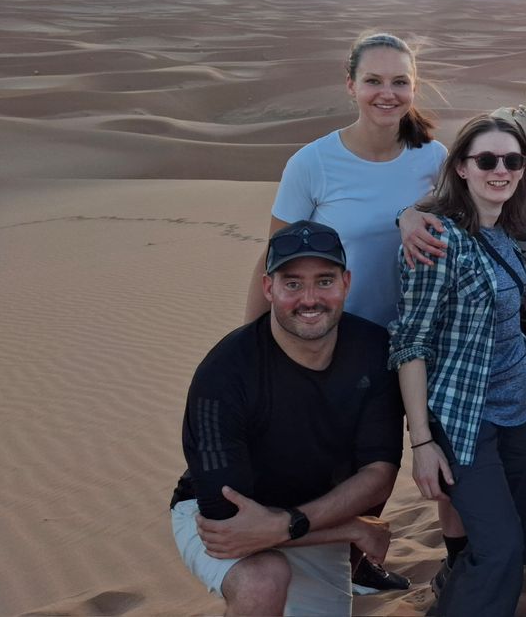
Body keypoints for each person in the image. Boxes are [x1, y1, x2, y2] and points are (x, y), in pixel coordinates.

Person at [240, 30, 443, 593]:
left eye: (399, 81)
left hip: (407, 345)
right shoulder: (314, 163)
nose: (387, 93)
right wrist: (254, 343)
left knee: (382, 462)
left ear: (413, 87)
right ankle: (316, 559)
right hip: (325, 343)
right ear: (350, 84)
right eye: (374, 81)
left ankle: (357, 566)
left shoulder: (433, 158)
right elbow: (275, 255)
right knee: (330, 459)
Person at [397, 38, 526, 576]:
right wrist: (406, 215)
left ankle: (503, 545)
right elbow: (448, 193)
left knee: (510, 429)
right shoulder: (506, 129)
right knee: (460, 436)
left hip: (522, 310)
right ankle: (462, 560)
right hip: (474, 306)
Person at [171, 221, 402, 616]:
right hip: (213, 519)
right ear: (268, 288)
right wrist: (347, 528)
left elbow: (379, 471)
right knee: (263, 581)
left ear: (346, 283)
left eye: (324, 281)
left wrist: (289, 525)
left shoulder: (375, 350)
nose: (309, 298)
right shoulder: (224, 374)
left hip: (309, 517)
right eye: (292, 283)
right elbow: (226, 523)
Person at [390, 114, 526, 616]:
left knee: (515, 539)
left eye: (511, 160)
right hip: (463, 421)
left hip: (512, 413)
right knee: (499, 548)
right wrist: (422, 442)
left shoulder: (504, 232)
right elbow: (410, 345)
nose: (500, 170)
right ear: (461, 168)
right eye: (486, 160)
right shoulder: (437, 242)